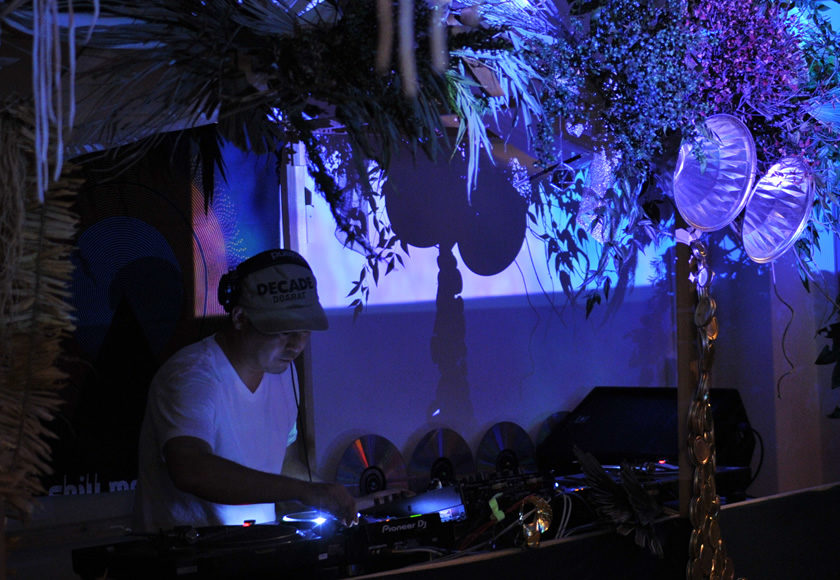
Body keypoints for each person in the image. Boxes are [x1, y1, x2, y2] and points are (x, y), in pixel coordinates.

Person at [134, 248, 357, 532]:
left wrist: (328, 494)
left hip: (257, 548)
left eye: (304, 330)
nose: (296, 345)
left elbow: (283, 462)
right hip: (187, 552)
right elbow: (191, 469)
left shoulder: (283, 371)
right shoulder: (191, 375)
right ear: (240, 318)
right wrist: (303, 491)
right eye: (283, 331)